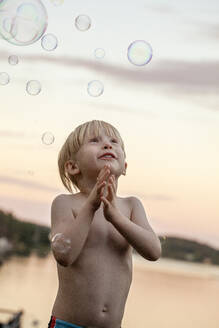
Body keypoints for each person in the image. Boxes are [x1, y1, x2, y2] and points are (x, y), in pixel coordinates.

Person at [48, 120, 161, 328]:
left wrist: (115, 217)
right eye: (94, 141)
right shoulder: (65, 203)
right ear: (73, 166)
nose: (107, 145)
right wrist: (91, 205)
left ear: (124, 167)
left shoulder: (131, 206)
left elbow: (154, 251)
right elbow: (65, 255)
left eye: (114, 141)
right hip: (68, 325)